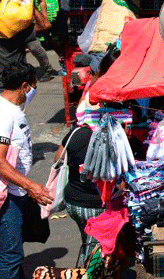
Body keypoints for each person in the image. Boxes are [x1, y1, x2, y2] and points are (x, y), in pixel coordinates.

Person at [0, 62, 53, 279]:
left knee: (14, 252)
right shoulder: (3, 114)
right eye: (33, 86)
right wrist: (31, 186)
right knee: (10, 256)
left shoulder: (10, 109)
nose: (33, 91)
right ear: (24, 86)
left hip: (15, 192)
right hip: (6, 196)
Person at [53, 51, 116, 267]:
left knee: (88, 243)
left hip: (73, 202)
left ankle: (86, 267)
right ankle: (86, 271)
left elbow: (59, 156)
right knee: (94, 252)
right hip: (94, 205)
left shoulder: (76, 133)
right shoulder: (111, 140)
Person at [0, 0, 60, 79]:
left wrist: (44, 16)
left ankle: (47, 68)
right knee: (11, 48)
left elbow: (42, 0)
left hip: (27, 20)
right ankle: (16, 73)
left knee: (34, 47)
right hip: (9, 21)